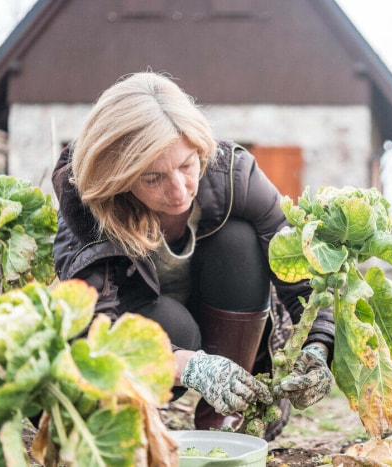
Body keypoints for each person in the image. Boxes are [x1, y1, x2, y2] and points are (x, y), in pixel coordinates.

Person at [51, 71, 335, 441]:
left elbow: (300, 271)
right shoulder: (88, 205)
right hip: (147, 321)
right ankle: (134, 419)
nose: (179, 189)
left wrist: (318, 345)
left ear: (199, 146)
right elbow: (94, 328)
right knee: (175, 325)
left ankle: (230, 412)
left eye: (186, 165)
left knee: (239, 239)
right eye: (153, 178)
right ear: (119, 179)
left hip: (223, 304)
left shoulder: (234, 174)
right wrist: (187, 365)